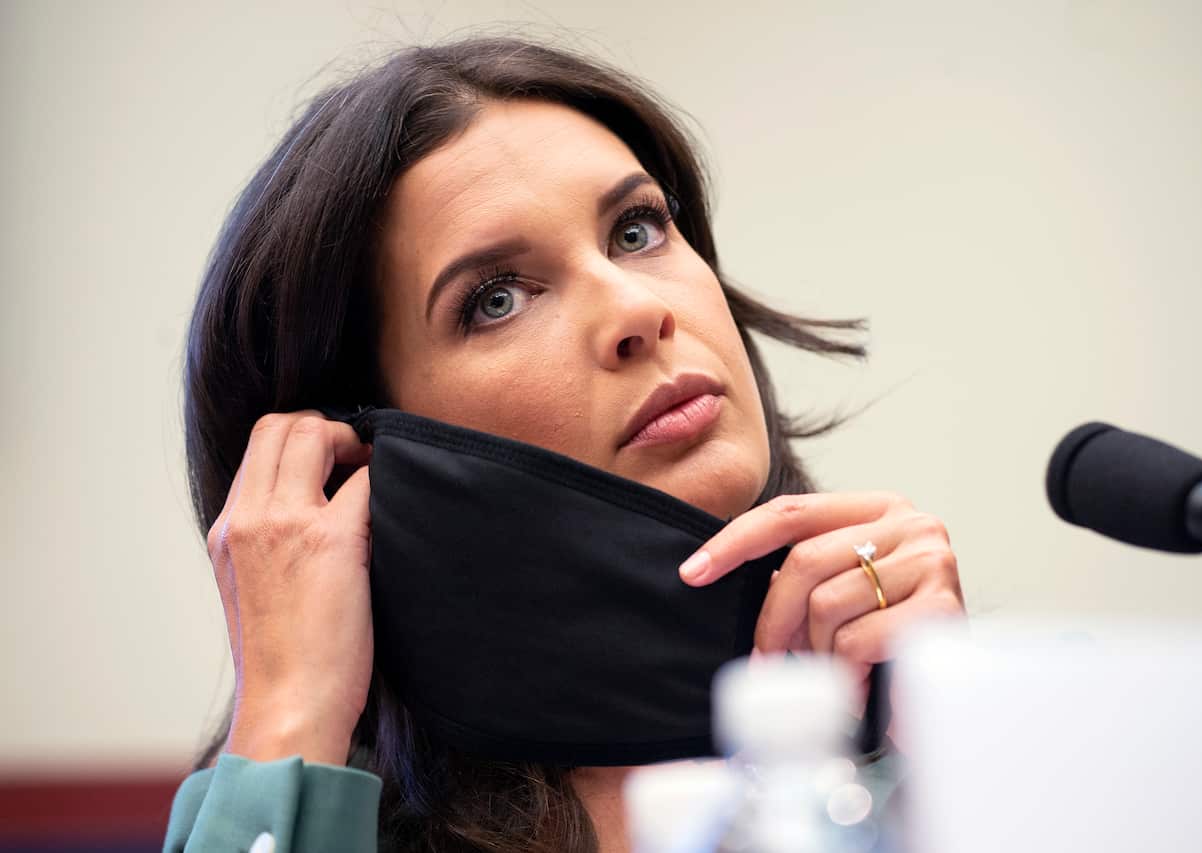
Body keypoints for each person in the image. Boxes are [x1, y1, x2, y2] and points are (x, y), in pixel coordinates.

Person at [163, 35, 966, 853]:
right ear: (360, 455)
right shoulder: (344, 816)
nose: (637, 312)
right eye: (498, 298)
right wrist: (289, 715)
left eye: (636, 230)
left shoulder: (910, 736)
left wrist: (949, 725)